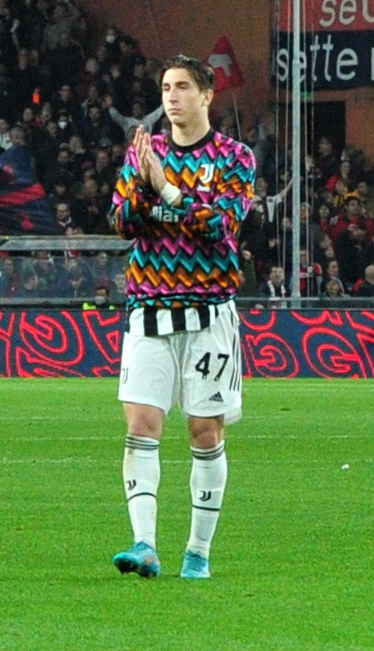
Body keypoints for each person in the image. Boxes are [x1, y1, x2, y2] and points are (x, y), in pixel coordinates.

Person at [110, 54, 264, 578]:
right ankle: (144, 544)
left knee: (204, 431)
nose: (170, 97)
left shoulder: (233, 157)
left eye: (181, 88)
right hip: (147, 307)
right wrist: (144, 191)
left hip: (207, 311)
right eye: (165, 88)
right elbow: (122, 222)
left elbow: (220, 224)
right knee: (141, 423)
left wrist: (166, 192)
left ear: (206, 96)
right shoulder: (143, 153)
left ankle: (197, 550)